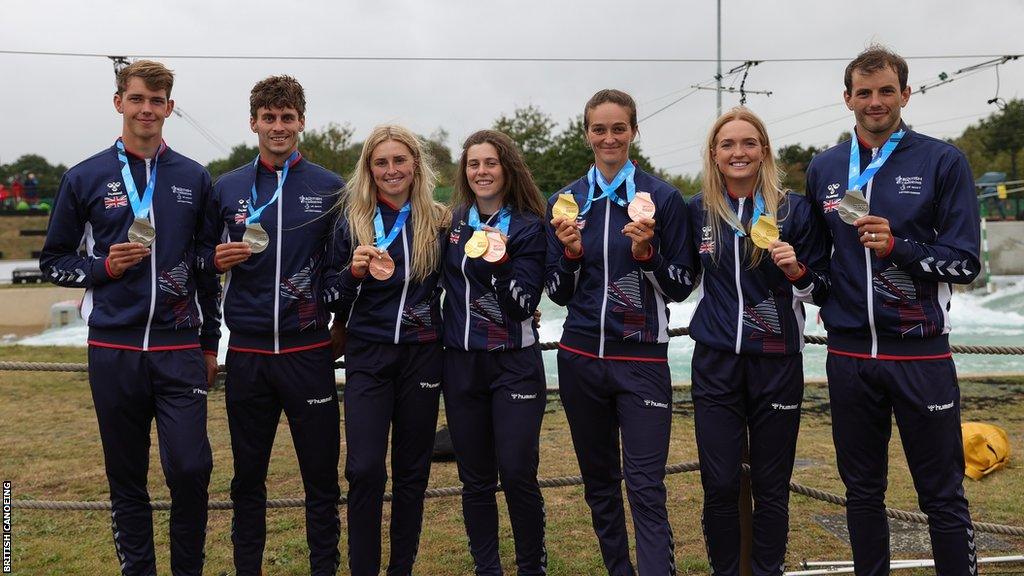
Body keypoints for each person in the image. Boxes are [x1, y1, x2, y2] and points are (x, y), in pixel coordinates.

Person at [805, 45, 980, 576]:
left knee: (941, 496)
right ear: (847, 99)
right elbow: (817, 265)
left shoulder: (942, 160)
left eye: (886, 91)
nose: (875, 101)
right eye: (864, 92)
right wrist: (798, 277)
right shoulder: (825, 167)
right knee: (861, 493)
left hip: (921, 356)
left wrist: (899, 247)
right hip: (850, 355)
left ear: (905, 94)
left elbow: (965, 263)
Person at [39, 60, 219, 576]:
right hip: (114, 350)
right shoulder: (85, 176)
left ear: (170, 107)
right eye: (138, 98)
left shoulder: (193, 176)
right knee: (127, 476)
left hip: (177, 347)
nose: (147, 109)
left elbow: (205, 268)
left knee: (191, 468)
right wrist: (102, 268)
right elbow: (55, 262)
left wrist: (210, 343)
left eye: (158, 100)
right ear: (119, 102)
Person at [198, 75, 344, 576]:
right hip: (250, 356)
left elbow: (343, 266)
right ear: (253, 122)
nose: (278, 127)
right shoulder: (227, 187)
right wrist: (213, 263)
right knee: (247, 479)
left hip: (308, 352)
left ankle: (324, 568)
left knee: (322, 480)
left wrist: (338, 324)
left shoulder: (330, 187)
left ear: (302, 121)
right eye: (269, 117)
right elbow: (199, 264)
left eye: (287, 117)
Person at [545, 89, 695, 575]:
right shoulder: (566, 202)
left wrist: (649, 255)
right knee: (600, 483)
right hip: (580, 358)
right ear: (586, 133)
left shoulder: (664, 198)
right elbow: (560, 293)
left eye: (618, 128)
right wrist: (569, 255)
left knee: (646, 484)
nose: (609, 137)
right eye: (599, 129)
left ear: (633, 131)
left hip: (642, 360)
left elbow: (679, 287)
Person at [688, 107, 829, 575]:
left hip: (777, 362)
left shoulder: (794, 210)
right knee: (719, 484)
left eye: (748, 143)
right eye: (727, 144)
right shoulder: (698, 210)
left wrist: (797, 271)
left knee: (771, 487)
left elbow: (822, 289)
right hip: (716, 363)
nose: (738, 152)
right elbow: (680, 282)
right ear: (714, 154)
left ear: (764, 150)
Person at [323, 124, 446, 576]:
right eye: (381, 162)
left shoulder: (439, 220)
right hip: (369, 357)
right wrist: (350, 275)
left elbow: (464, 285)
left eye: (399, 160)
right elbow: (330, 300)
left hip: (422, 356)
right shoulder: (350, 222)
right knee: (365, 468)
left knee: (413, 472)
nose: (391, 170)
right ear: (368, 169)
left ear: (415, 164)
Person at [442, 129, 549, 575]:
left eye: (490, 163)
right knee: (475, 480)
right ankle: (487, 567)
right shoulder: (450, 220)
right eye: (473, 164)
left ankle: (531, 566)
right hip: (461, 362)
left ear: (507, 168)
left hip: (514, 364)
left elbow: (522, 305)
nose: (481, 172)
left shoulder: (529, 226)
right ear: (465, 172)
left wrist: (501, 263)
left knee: (518, 472)